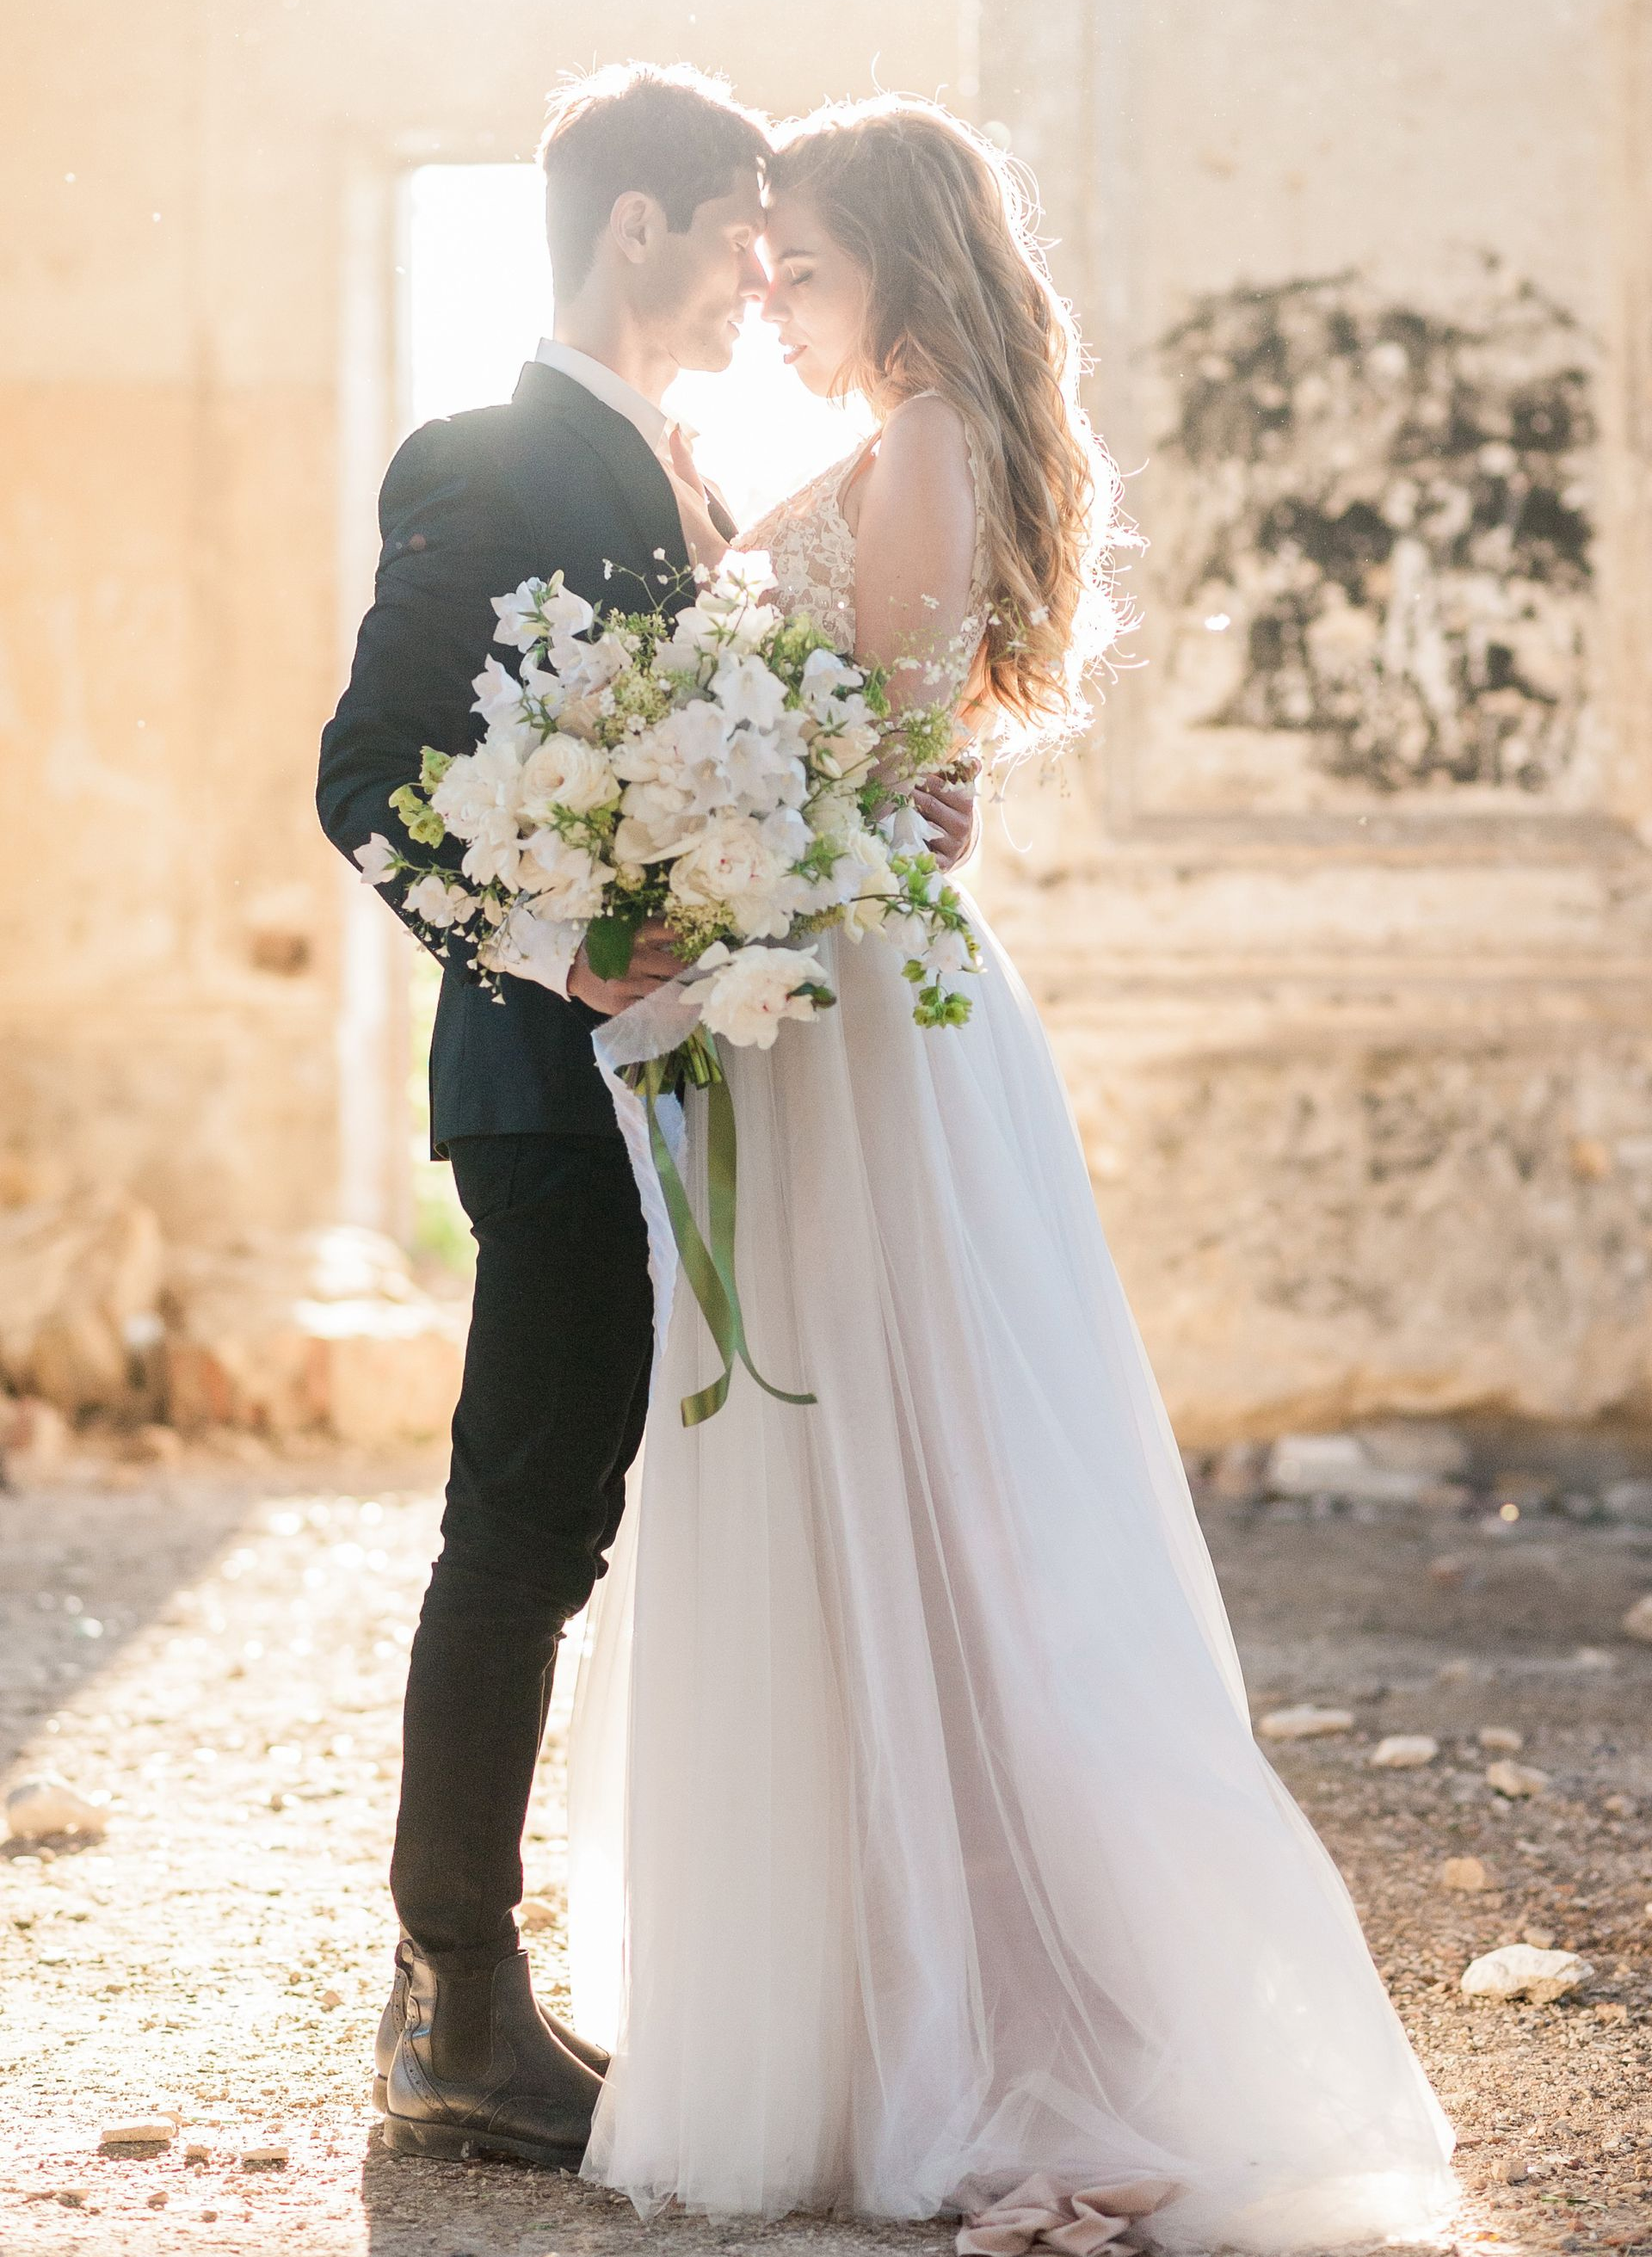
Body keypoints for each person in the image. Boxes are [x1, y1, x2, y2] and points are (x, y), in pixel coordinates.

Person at [566, 96, 1459, 2251]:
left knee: (930, 1498)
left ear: (902, 265)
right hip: (845, 983)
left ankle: (1006, 2014)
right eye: (765, 272)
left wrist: (696, 821)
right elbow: (890, 754)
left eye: (804, 270)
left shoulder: (928, 437)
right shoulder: (915, 438)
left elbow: (866, 757)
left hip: (863, 1011)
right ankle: (898, 1990)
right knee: (877, 1486)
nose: (778, 306)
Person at [314, 64, 943, 2170]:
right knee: (524, 1518)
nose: (762, 277)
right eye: (743, 232)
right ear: (640, 224)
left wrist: (863, 807)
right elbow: (367, 769)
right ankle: (454, 2000)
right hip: (549, 1080)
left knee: (576, 1517)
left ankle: (487, 1993)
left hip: (680, 1078)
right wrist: (556, 939)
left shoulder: (683, 468)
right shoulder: (484, 454)